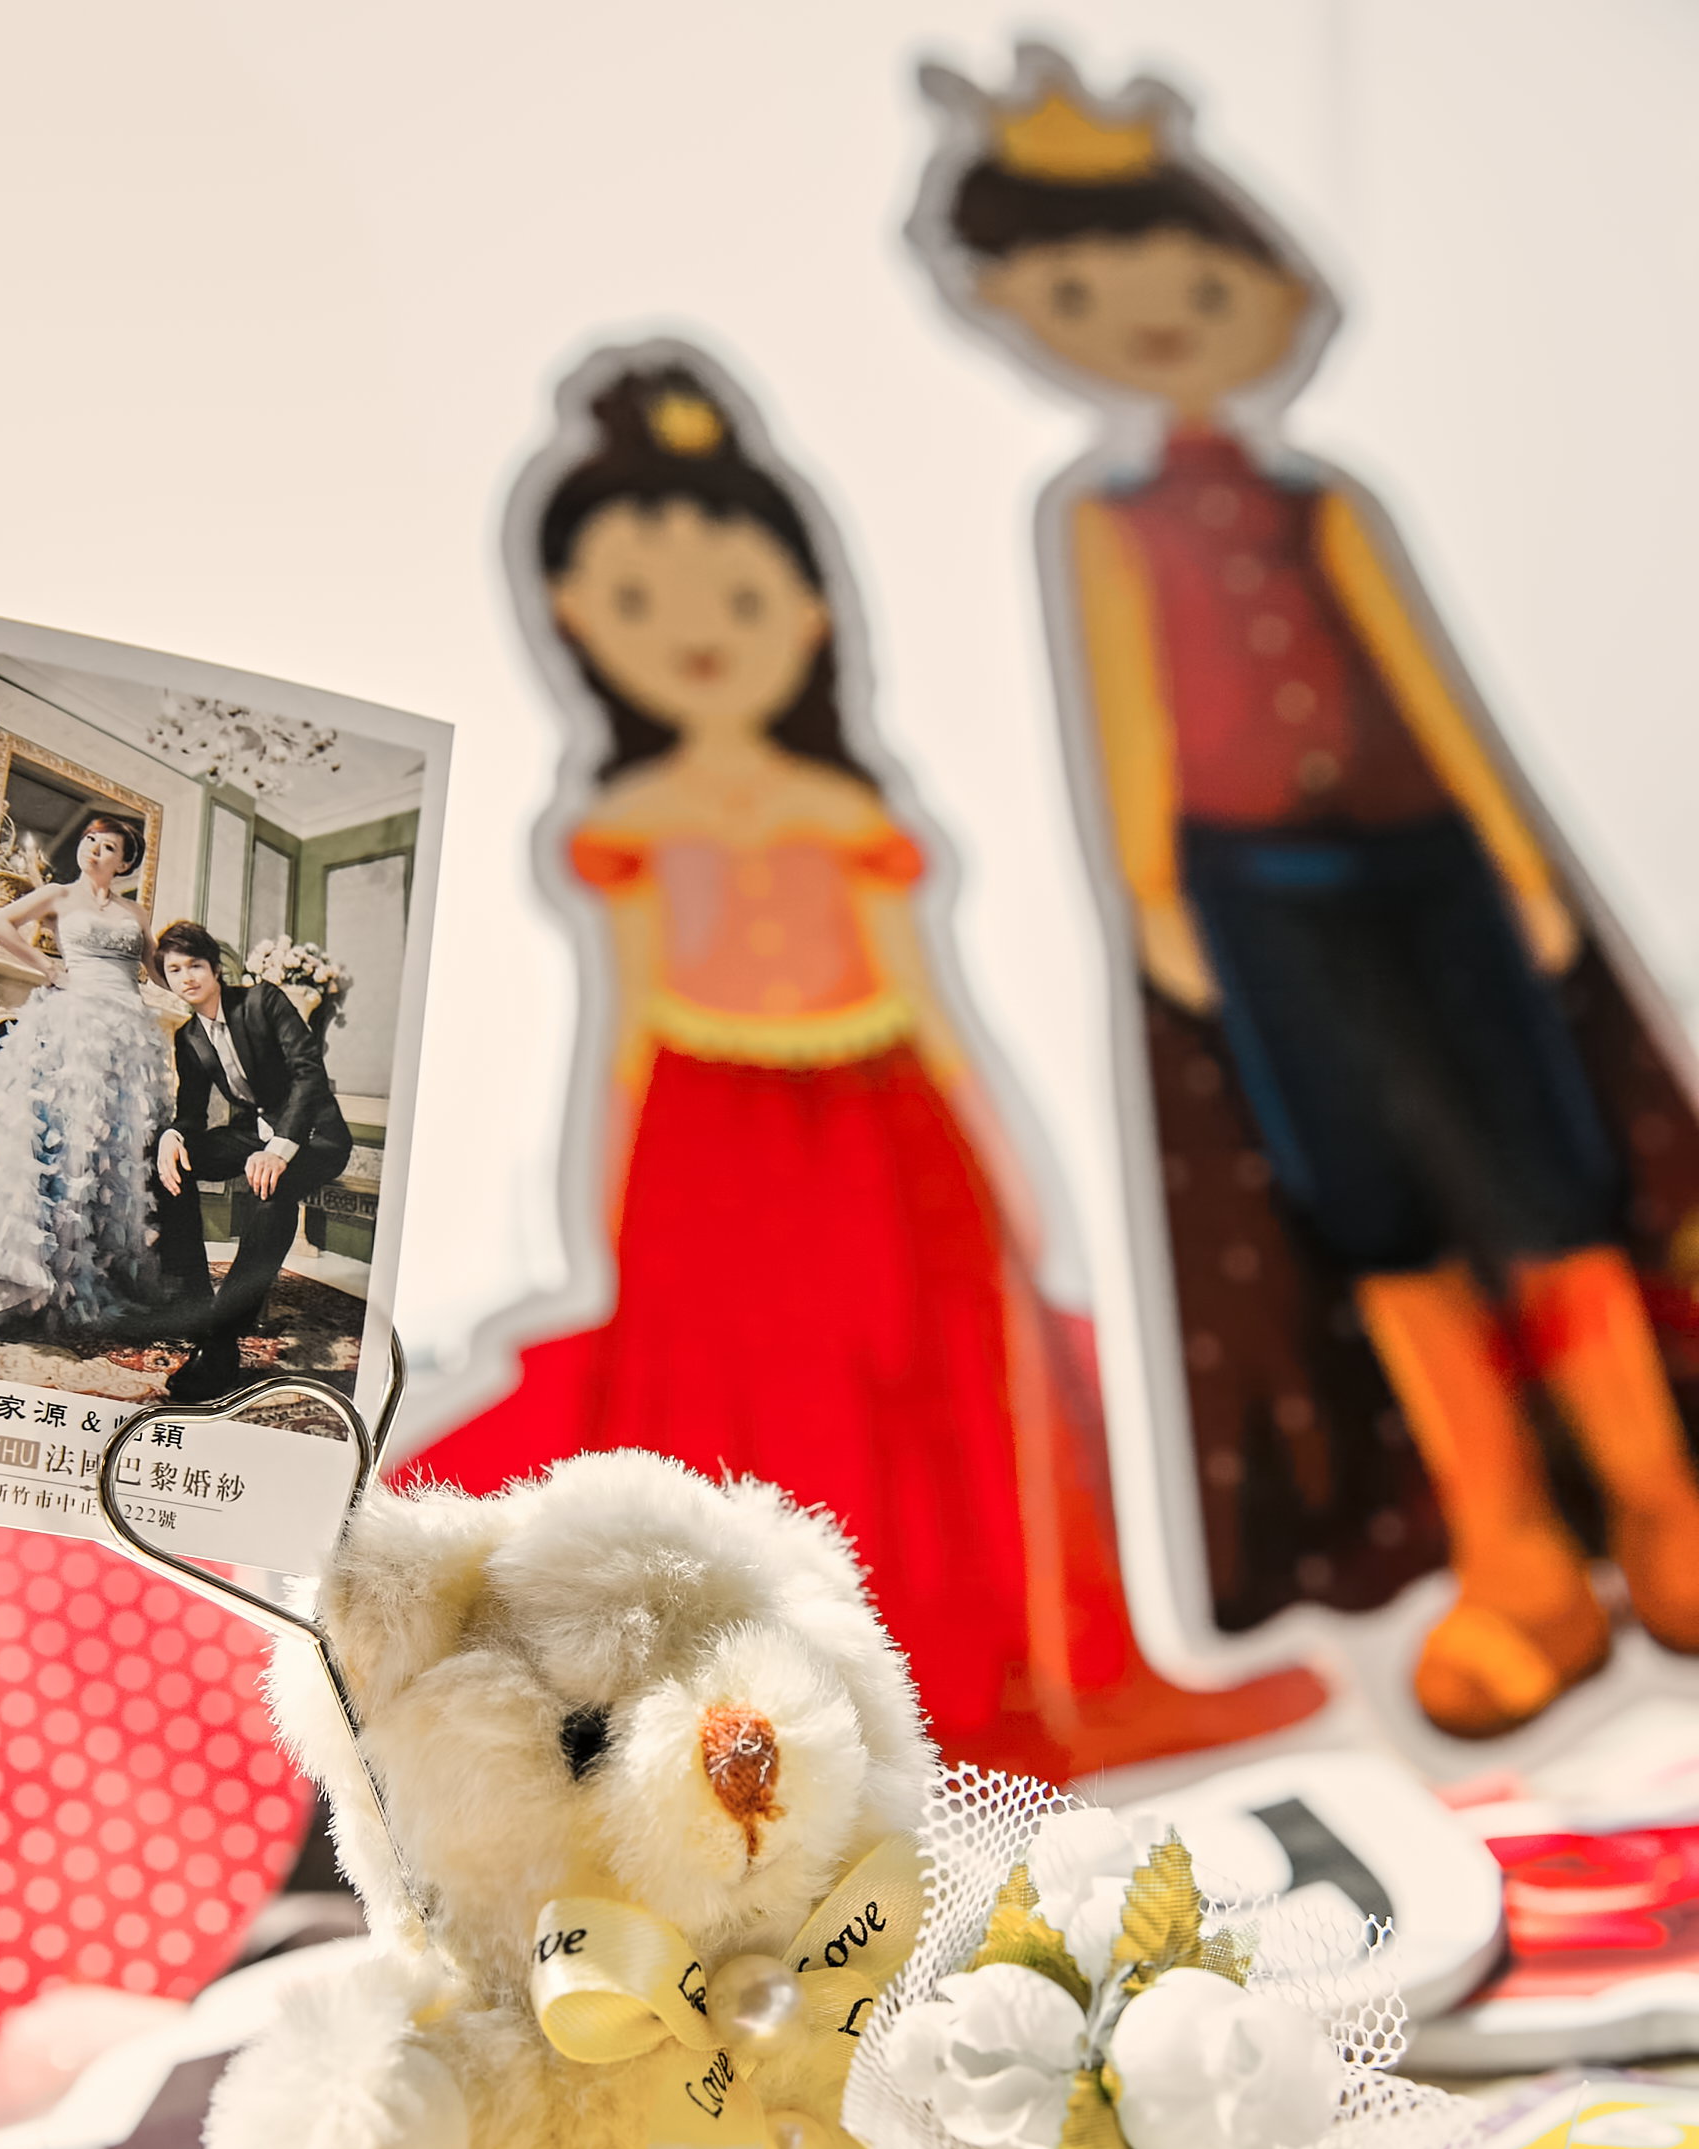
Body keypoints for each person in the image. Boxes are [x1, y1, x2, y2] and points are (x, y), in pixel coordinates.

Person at [910, 49, 1699, 1739]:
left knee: (1549, 1184)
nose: (1153, 321)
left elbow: (1425, 690)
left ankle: (1659, 1503)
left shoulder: (1325, 505)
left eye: (1192, 283)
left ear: (1259, 285)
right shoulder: (1106, 531)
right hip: (1261, 912)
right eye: (1083, 293)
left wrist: (1516, 860)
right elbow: (1133, 726)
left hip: (1436, 879)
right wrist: (1155, 902)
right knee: (1375, 1218)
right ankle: (1514, 1553)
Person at [411, 356, 1320, 1775]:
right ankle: (765, 1710)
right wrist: (609, 1227)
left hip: (889, 1118)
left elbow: (928, 999)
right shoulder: (630, 822)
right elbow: (627, 1029)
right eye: (639, 602)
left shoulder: (845, 813)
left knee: (935, 1386)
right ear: (577, 617)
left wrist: (1014, 1185)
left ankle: (968, 1672)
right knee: (747, 1398)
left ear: (809, 610)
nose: (695, 633)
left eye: (738, 598)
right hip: (708, 1136)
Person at [0, 813, 172, 1335]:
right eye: (89, 840)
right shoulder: (58, 895)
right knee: (58, 1136)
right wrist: (48, 968)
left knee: (101, 1147)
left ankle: (83, 1267)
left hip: (125, 1034)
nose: (93, 850)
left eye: (107, 846)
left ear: (124, 863)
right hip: (73, 1024)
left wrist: (196, 983)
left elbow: (157, 969)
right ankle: (11, 1274)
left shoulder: (135, 912)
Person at [150, 919, 353, 1404]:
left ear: (214, 968)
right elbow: (192, 1113)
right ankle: (196, 1304)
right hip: (251, 1135)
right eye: (174, 970)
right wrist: (172, 1136)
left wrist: (280, 1150)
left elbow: (308, 1075)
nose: (186, 977)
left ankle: (222, 1340)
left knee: (271, 1191)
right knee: (170, 1163)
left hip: (314, 1136)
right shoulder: (189, 1037)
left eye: (195, 965)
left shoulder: (263, 1001)